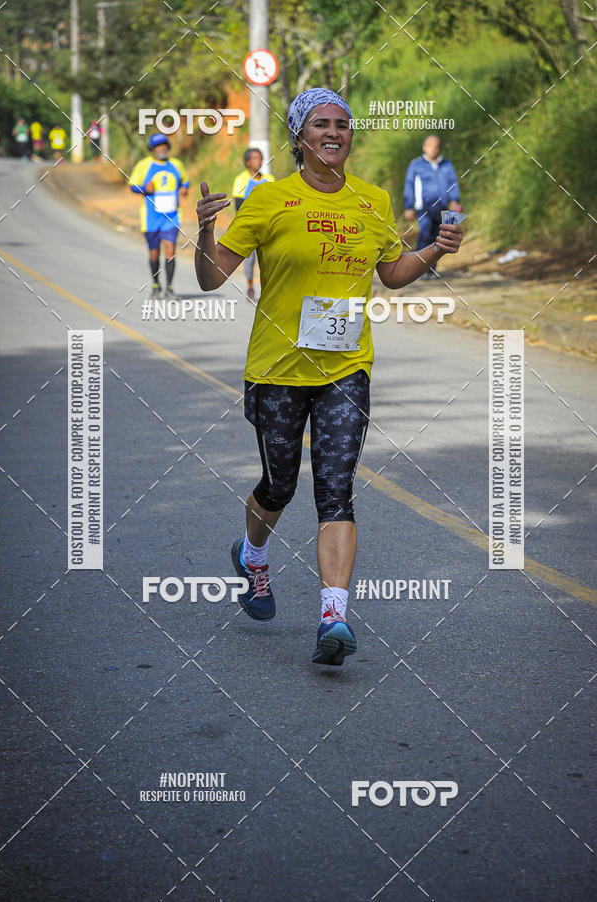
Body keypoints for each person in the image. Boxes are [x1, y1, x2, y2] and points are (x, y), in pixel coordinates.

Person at [195, 88, 463, 667]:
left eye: (343, 124)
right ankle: (252, 556)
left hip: (347, 369)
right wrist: (204, 232)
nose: (335, 132)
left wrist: (434, 251)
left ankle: (333, 618)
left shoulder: (371, 200)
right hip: (276, 370)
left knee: (336, 491)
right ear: (299, 137)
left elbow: (392, 274)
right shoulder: (269, 200)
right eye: (321, 124)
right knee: (280, 485)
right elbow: (212, 278)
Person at [128, 133, 189, 300]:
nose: (162, 148)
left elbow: (185, 180)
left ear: (168, 147)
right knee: (154, 253)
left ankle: (169, 288)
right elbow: (131, 186)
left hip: (172, 216)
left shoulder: (176, 164)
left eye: (164, 145)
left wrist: (184, 188)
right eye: (158, 146)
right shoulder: (144, 166)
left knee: (170, 250)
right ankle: (156, 285)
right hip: (151, 218)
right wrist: (143, 189)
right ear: (152, 149)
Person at [404, 135, 461, 278]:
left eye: (436, 146)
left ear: (439, 148)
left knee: (438, 237)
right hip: (424, 207)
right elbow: (409, 185)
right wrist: (408, 206)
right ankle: (419, 269)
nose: (433, 149)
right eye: (430, 146)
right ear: (424, 147)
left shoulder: (446, 165)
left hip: (441, 207)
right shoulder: (416, 165)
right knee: (425, 234)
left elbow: (452, 183)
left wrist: (454, 200)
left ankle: (432, 269)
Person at [231, 148, 275, 300]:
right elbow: (238, 206)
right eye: (255, 158)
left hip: (268, 226)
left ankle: (268, 289)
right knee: (249, 261)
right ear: (247, 162)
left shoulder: (270, 179)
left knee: (269, 260)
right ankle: (250, 286)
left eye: (260, 158)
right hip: (249, 227)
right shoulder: (241, 180)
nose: (258, 161)